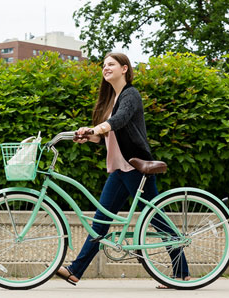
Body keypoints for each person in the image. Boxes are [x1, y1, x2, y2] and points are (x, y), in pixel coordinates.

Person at [55, 53, 189, 289]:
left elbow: (120, 120)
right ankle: (75, 271)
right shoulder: (111, 98)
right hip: (119, 168)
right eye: (103, 65)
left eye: (111, 64)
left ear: (124, 69)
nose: (105, 68)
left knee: (156, 218)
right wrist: (89, 137)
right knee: (100, 222)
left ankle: (181, 274)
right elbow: (106, 134)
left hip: (136, 166)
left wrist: (97, 128)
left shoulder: (130, 94)